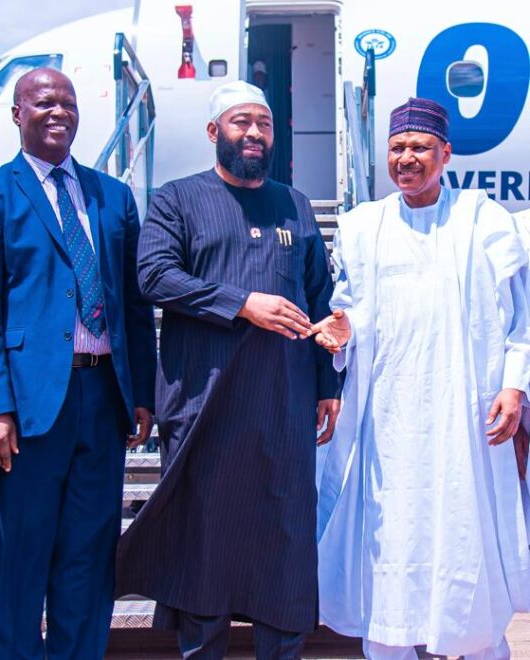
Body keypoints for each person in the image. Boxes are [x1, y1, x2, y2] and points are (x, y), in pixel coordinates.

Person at [115, 80, 340, 659]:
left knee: (284, 542)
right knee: (206, 542)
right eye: (242, 123)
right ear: (215, 132)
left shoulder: (293, 204)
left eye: (264, 124)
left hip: (283, 404)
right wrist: (242, 303)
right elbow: (155, 277)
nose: (255, 134)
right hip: (204, 403)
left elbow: (319, 298)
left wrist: (327, 382)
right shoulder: (177, 199)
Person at [313, 97, 530, 660]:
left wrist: (513, 385)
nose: (406, 159)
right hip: (391, 422)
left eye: (420, 148)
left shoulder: (484, 221)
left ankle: (480, 647)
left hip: (466, 418)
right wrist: (343, 330)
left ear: (446, 154)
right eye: (397, 148)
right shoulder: (363, 226)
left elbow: (519, 319)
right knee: (393, 541)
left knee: (466, 535)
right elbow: (353, 309)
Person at [0, 67, 157, 659]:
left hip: (101, 401)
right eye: (43, 102)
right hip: (26, 409)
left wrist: (138, 393)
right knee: (24, 560)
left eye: (67, 103)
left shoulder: (111, 196)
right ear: (17, 114)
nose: (58, 112)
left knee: (88, 560)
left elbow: (132, 305)